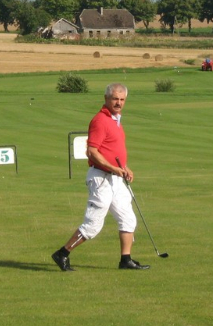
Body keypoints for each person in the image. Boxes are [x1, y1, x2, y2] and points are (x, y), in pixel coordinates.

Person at [51, 83, 149, 271]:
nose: (119, 103)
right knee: (93, 224)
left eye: (122, 99)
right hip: (101, 178)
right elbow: (92, 152)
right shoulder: (100, 120)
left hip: (116, 178)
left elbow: (112, 150)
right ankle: (62, 253)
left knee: (128, 218)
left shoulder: (116, 120)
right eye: (115, 99)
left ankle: (125, 259)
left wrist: (124, 168)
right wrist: (114, 168)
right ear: (106, 99)